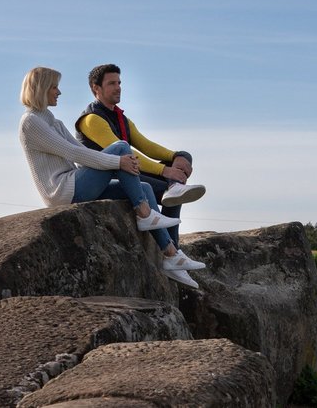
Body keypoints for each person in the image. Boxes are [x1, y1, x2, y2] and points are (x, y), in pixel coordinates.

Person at [18, 66, 204, 288]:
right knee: (121, 148)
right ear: (41, 88)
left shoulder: (53, 121)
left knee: (144, 187)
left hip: (79, 181)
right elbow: (76, 153)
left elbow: (81, 151)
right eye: (54, 87)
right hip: (63, 190)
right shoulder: (31, 122)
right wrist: (118, 161)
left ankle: (171, 255)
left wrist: (174, 156)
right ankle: (145, 212)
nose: (59, 92)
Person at [74, 63, 205, 251]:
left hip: (130, 170)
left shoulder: (121, 118)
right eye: (111, 83)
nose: (118, 87)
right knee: (168, 187)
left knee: (183, 159)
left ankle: (173, 191)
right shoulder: (91, 119)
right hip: (111, 178)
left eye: (119, 82)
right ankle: (172, 247)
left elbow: (146, 146)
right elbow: (128, 154)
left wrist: (176, 156)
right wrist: (166, 171)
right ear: (96, 88)